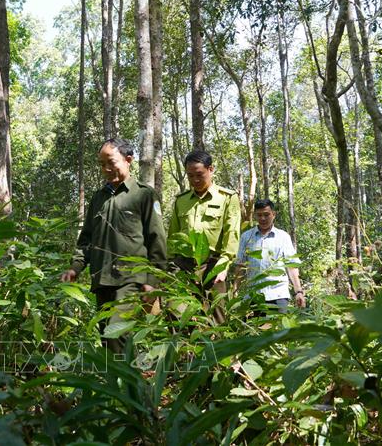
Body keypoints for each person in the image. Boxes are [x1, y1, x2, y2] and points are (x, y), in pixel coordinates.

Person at [61, 138, 167, 353]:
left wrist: (153, 280)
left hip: (131, 279)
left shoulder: (144, 194)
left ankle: (131, 373)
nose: (106, 169)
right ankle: (124, 373)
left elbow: (157, 239)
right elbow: (87, 239)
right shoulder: (98, 198)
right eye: (102, 164)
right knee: (107, 339)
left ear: (128, 160)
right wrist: (75, 267)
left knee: (116, 331)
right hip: (102, 279)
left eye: (111, 162)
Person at [167, 150, 241, 324]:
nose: (195, 180)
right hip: (183, 266)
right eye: (190, 176)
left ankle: (218, 343)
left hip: (213, 265)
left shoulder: (227, 198)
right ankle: (183, 343)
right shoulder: (181, 201)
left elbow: (232, 234)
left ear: (211, 169)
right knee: (176, 315)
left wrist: (224, 265)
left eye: (199, 174)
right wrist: (169, 267)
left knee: (218, 318)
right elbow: (173, 237)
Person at [236, 198, 305, 314]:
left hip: (278, 294)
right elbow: (240, 266)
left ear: (273, 214)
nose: (263, 218)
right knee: (253, 325)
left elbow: (291, 266)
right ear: (255, 216)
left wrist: (298, 291)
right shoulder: (246, 237)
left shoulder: (283, 237)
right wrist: (235, 291)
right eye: (259, 215)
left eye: (266, 214)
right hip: (253, 295)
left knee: (279, 325)